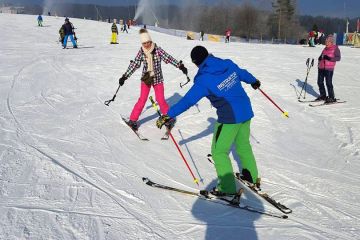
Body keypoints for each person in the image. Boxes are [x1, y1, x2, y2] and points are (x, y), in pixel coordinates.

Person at [156, 46, 261, 195]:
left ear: (195, 62)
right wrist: (253, 80)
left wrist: (168, 114)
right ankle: (252, 176)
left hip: (230, 118)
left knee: (219, 151)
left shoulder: (203, 79)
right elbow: (242, 73)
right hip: (246, 110)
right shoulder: (226, 63)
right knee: (243, 144)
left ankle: (226, 188)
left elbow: (187, 101)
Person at [118, 29, 188, 131]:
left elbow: (168, 58)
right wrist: (125, 76)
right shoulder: (141, 51)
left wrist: (180, 66)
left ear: (151, 41)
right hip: (146, 79)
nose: (146, 45)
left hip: (158, 78)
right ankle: (133, 120)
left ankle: (169, 119)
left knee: (160, 100)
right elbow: (135, 64)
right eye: (144, 43)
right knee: (142, 99)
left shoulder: (158, 50)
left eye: (148, 42)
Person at [315, 35, 341, 103]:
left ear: (331, 42)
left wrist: (329, 58)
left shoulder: (335, 48)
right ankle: (323, 95)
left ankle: (331, 97)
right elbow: (321, 56)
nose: (326, 42)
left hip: (329, 68)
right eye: (326, 41)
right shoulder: (325, 48)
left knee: (328, 83)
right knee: (319, 82)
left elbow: (338, 58)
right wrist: (320, 58)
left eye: (327, 41)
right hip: (321, 67)